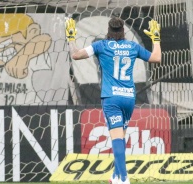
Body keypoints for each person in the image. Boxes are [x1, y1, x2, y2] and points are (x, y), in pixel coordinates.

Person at [65, 17, 161, 184]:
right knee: (121, 137)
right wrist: (156, 39)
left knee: (116, 139)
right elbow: (156, 58)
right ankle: (116, 176)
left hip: (112, 99)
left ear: (108, 32)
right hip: (129, 99)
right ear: (123, 32)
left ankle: (124, 179)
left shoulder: (101, 46)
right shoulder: (132, 47)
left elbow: (76, 54)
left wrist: (71, 38)